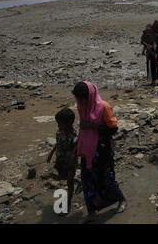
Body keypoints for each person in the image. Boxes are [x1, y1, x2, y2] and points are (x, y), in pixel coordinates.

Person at [72, 81, 127, 223]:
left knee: (106, 177)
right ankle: (91, 211)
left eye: (83, 98)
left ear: (90, 95)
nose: (81, 101)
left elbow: (113, 129)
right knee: (87, 180)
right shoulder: (81, 106)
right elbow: (83, 128)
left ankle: (121, 199)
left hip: (102, 149)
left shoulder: (104, 107)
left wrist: (93, 126)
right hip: (86, 149)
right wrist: (77, 145)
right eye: (79, 98)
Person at [47, 107, 77, 214]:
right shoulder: (59, 132)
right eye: (58, 123)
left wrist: (72, 160)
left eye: (60, 123)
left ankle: (68, 200)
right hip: (60, 159)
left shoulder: (74, 135)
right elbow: (58, 143)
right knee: (62, 177)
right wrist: (51, 153)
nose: (58, 126)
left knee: (69, 180)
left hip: (70, 161)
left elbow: (76, 149)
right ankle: (70, 191)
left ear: (69, 123)